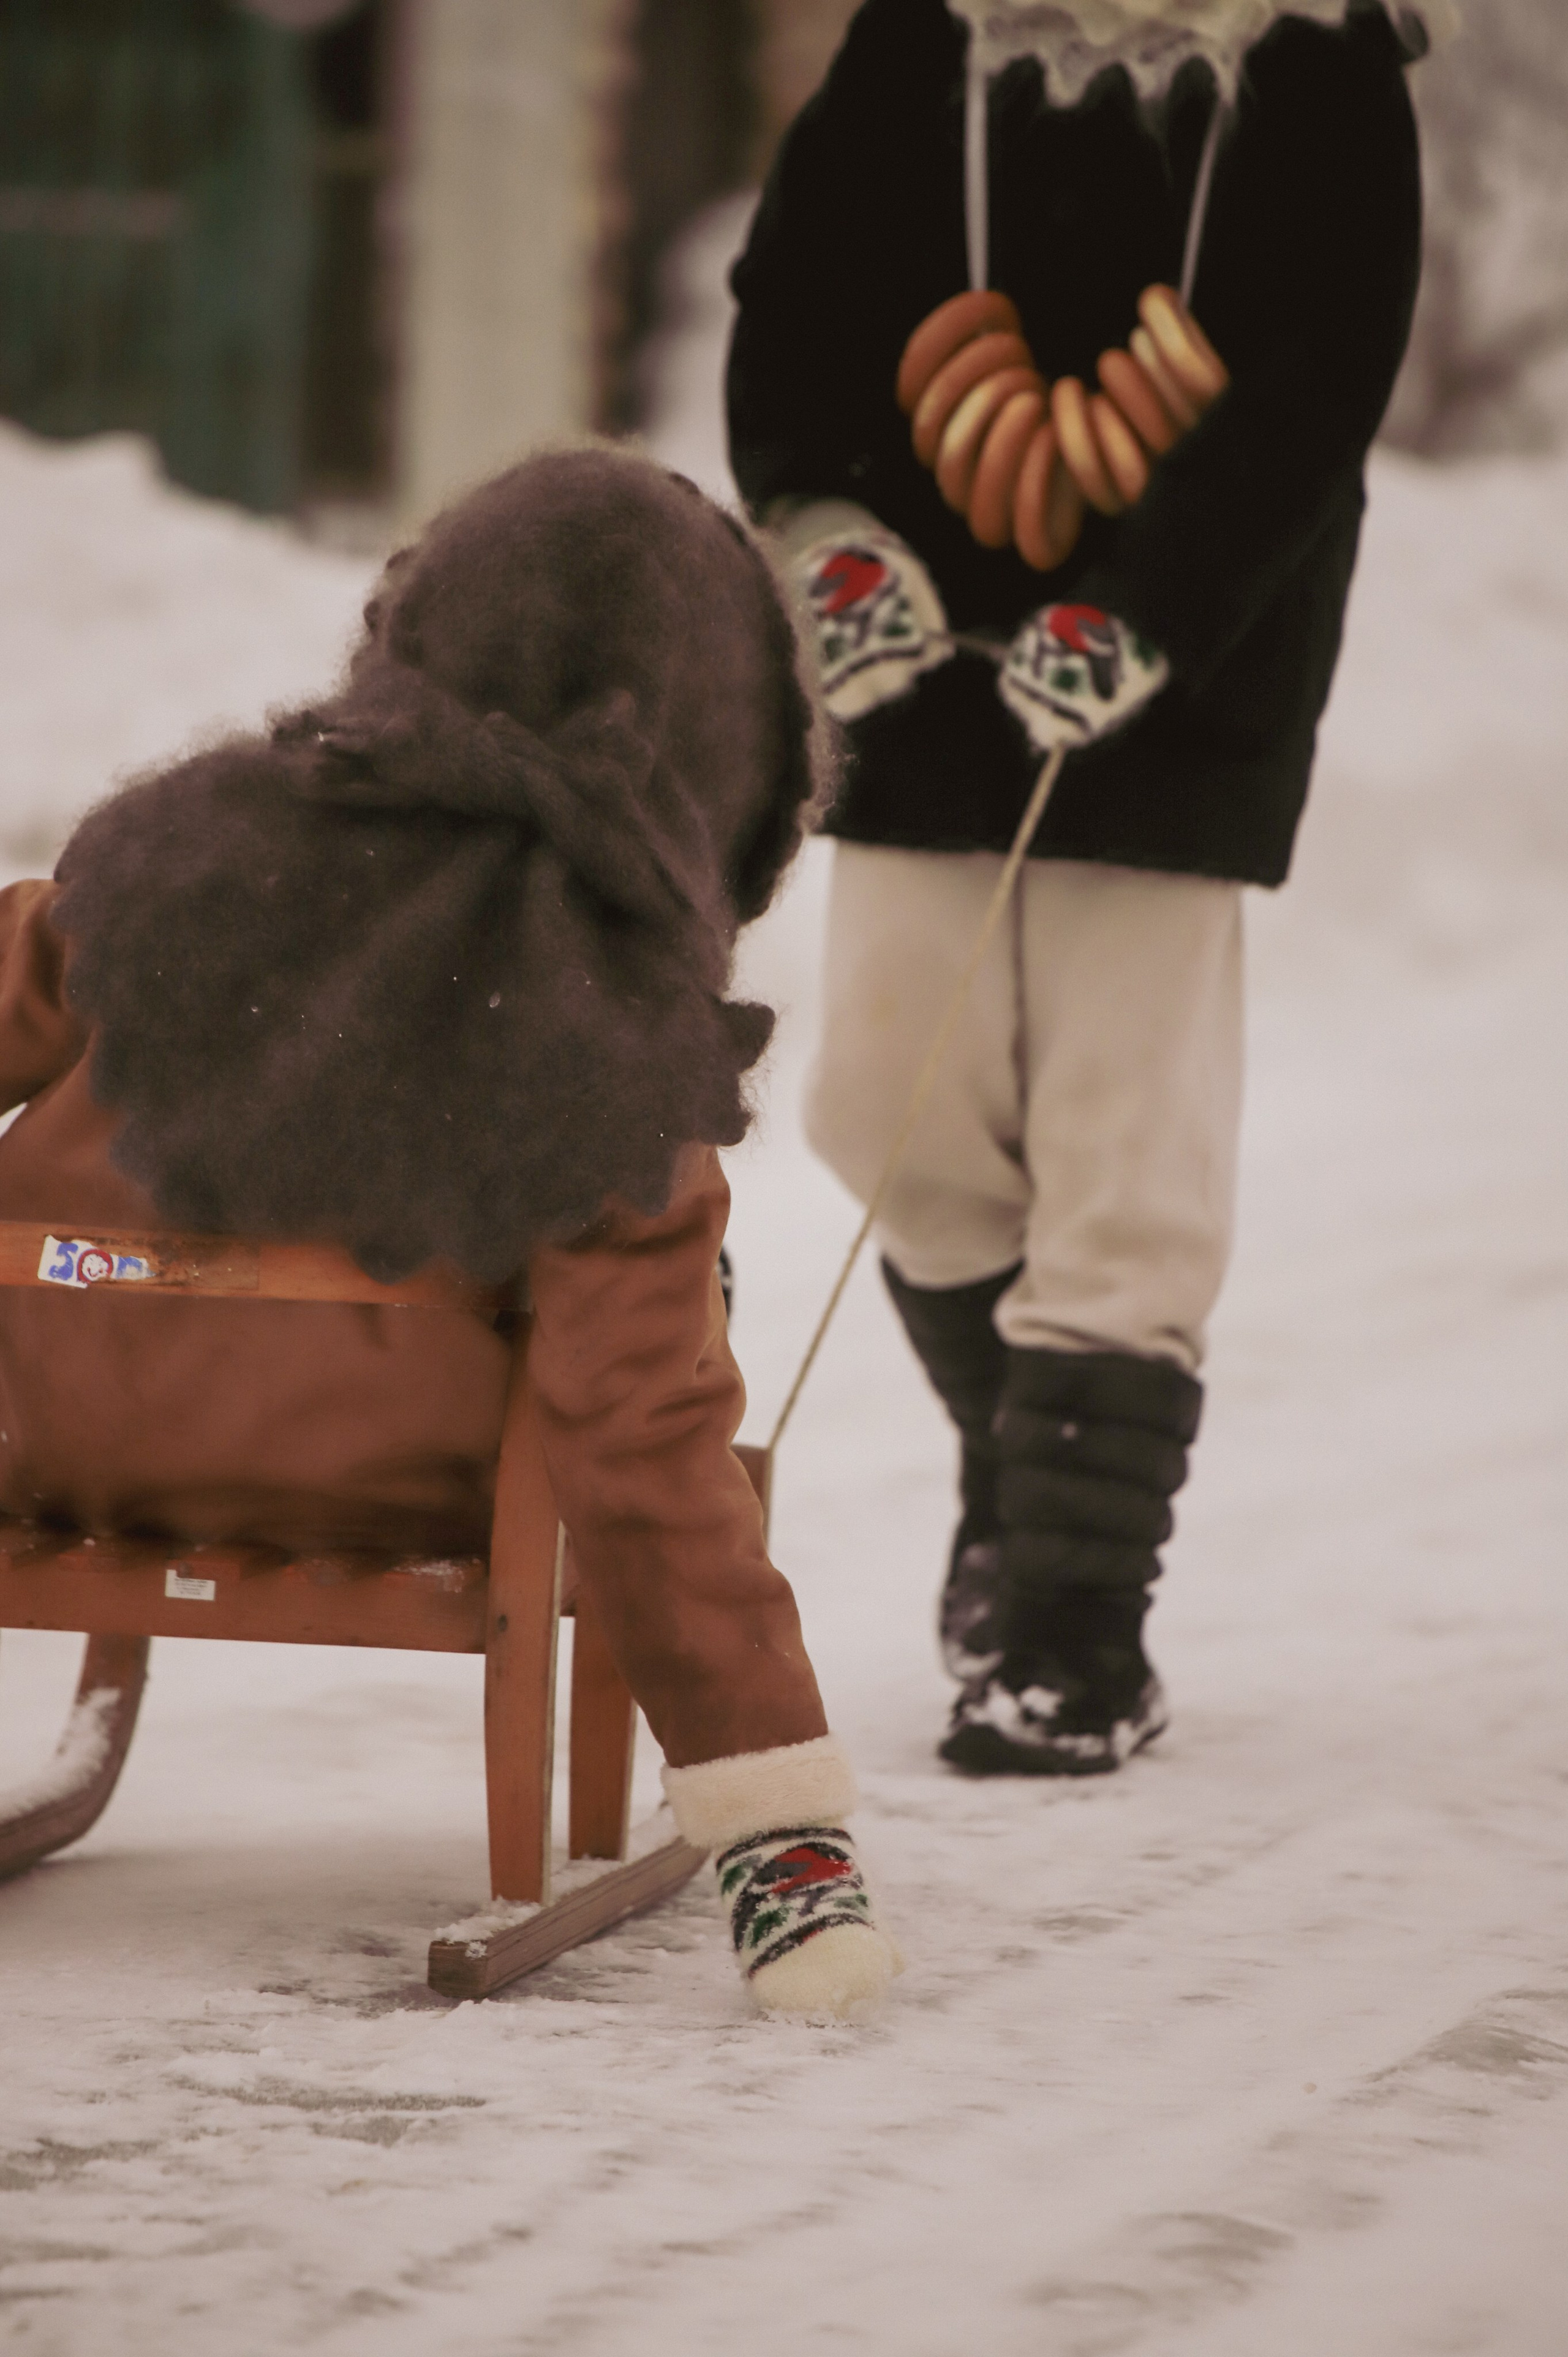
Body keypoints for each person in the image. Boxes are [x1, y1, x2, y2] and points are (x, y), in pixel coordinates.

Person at [0, 447, 898, 2018]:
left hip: (60, 1436)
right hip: (396, 1489)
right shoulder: (613, 1031)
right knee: (653, 1349)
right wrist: (777, 1808)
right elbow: (637, 1429)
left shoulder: (171, 860)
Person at [726, 0, 1449, 1773]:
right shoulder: (923, 37)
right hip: (917, 660)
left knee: (1124, 1160)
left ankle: (1072, 1633)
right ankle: (1021, 1474)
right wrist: (823, 526)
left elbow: (1315, 378)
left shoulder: (1318, 61)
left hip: (1189, 672)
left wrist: (1153, 610)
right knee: (882, 1105)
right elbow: (799, 299)